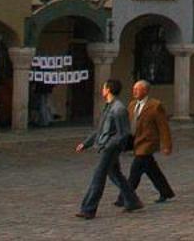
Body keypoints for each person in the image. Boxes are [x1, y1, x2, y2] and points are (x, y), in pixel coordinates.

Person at [74, 78, 143, 219]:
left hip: (110, 148)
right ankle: (132, 201)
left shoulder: (118, 109)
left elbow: (123, 133)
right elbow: (100, 130)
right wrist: (86, 143)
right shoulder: (108, 107)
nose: (102, 90)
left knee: (98, 177)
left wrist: (109, 145)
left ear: (108, 90)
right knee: (115, 174)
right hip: (106, 145)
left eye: (104, 87)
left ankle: (88, 208)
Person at [123, 80, 174, 204]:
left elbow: (163, 127)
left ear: (145, 90)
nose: (134, 91)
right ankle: (165, 191)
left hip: (147, 142)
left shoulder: (155, 105)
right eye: (134, 89)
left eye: (137, 89)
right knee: (152, 169)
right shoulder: (131, 105)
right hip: (136, 140)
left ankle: (125, 197)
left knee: (135, 170)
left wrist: (166, 145)